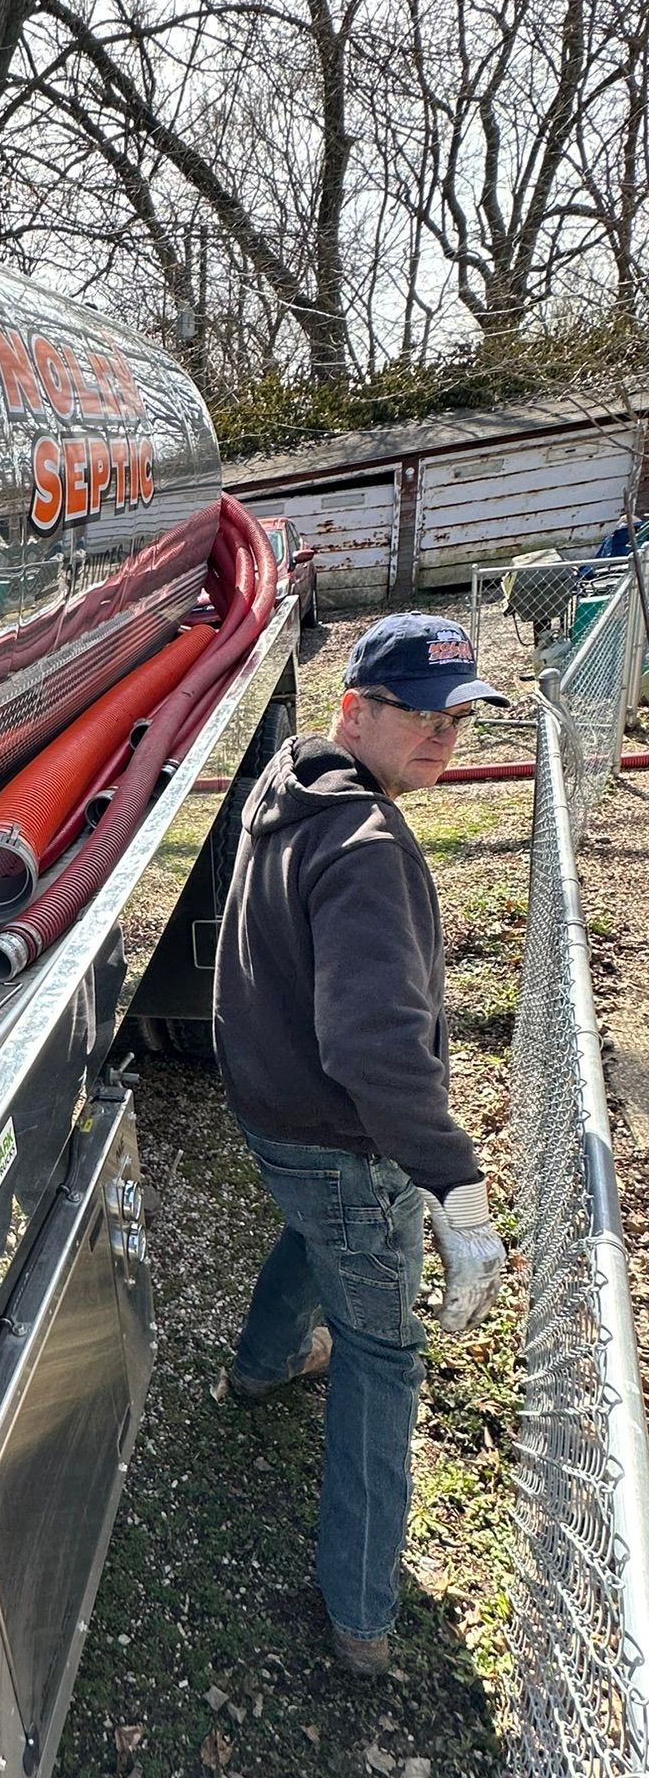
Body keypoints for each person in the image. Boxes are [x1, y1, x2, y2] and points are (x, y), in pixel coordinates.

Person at [211, 613, 510, 1678]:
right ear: (355, 710)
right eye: (419, 715)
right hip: (339, 1133)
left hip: (270, 1108)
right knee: (384, 1355)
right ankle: (363, 1613)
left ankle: (264, 1363)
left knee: (315, 1232)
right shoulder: (369, 844)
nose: (442, 738)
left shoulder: (288, 780)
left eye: (459, 717)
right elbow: (376, 1048)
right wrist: (454, 1185)